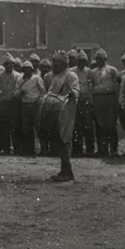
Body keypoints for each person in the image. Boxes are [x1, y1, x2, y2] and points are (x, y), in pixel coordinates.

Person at [39, 51, 80, 182]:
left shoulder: (71, 75)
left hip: (67, 111)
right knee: (60, 141)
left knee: (65, 140)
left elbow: (76, 90)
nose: (53, 66)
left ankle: (68, 172)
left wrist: (71, 92)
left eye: (56, 63)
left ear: (63, 64)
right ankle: (64, 170)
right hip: (57, 112)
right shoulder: (55, 77)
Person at [89, 49, 120, 157]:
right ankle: (102, 149)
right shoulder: (93, 72)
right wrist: (92, 101)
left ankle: (114, 149)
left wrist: (117, 101)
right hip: (98, 98)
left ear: (105, 59)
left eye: (101, 59)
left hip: (110, 98)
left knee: (111, 124)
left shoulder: (112, 70)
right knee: (100, 124)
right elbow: (91, 87)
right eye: (97, 59)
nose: (99, 61)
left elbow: (116, 86)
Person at [17, 60, 46, 156]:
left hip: (36, 104)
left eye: (29, 69)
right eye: (25, 69)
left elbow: (42, 91)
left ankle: (42, 149)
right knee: (26, 128)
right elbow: (16, 92)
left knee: (38, 127)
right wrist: (20, 93)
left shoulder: (36, 78)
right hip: (25, 104)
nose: (27, 71)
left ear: (32, 70)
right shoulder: (20, 80)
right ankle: (28, 150)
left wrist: (40, 102)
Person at [0, 55, 20, 155]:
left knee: (14, 126)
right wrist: (0, 96)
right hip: (2, 104)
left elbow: (18, 88)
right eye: (7, 64)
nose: (9, 66)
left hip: (13, 104)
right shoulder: (0, 76)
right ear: (4, 65)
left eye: (11, 64)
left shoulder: (18, 76)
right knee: (3, 127)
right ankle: (6, 148)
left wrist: (13, 96)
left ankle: (16, 148)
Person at [71, 50, 95, 157]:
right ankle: (77, 149)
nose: (81, 63)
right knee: (76, 126)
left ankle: (90, 149)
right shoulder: (71, 71)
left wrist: (90, 100)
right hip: (75, 100)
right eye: (80, 61)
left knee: (88, 125)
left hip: (86, 101)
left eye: (84, 61)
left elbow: (91, 86)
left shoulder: (89, 72)